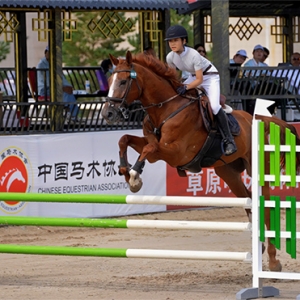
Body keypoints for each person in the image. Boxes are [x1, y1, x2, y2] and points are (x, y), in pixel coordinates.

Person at [165, 25, 237, 156]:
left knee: (214, 107)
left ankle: (229, 140)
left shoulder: (194, 55)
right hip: (192, 76)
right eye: (170, 41)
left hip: (209, 77)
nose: (172, 44)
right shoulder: (170, 57)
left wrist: (186, 87)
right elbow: (173, 77)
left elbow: (199, 80)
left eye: (176, 40)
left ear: (184, 41)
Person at [37, 46, 79, 121]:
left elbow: (61, 78)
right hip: (45, 89)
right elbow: (46, 81)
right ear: (45, 53)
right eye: (49, 52)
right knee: (65, 93)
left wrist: (68, 86)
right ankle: (71, 113)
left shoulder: (55, 64)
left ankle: (70, 113)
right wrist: (61, 88)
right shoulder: (41, 65)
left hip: (56, 88)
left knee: (68, 92)